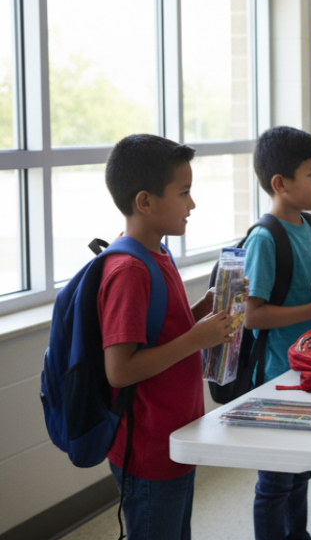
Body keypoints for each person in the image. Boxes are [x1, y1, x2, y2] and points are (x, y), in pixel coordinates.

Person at [99, 135, 234, 540]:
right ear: (145, 201)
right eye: (185, 192)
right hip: (149, 450)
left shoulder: (158, 253)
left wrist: (201, 312)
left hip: (176, 439)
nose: (192, 205)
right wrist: (197, 337)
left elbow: (160, 334)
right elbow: (119, 370)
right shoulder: (129, 271)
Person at [241, 127, 311, 540]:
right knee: (274, 483)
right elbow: (252, 317)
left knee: (301, 472)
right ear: (280, 184)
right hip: (275, 379)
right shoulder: (265, 239)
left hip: (310, 373)